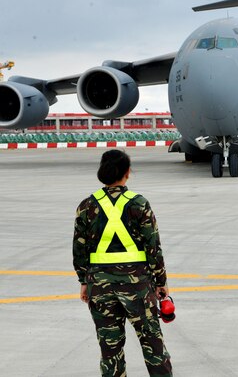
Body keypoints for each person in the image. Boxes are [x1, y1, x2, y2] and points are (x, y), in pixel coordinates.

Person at [73, 149, 173, 377]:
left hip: (100, 287)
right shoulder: (139, 204)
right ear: (127, 173)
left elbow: (79, 250)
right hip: (137, 286)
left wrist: (83, 281)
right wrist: (161, 281)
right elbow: (153, 247)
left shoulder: (86, 206)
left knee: (110, 351)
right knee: (153, 347)